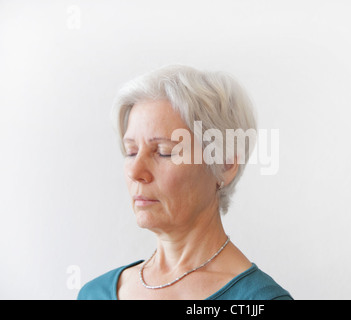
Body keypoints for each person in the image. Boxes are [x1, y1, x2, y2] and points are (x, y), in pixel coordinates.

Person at [77, 65, 292, 300]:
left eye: (164, 152)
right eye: (131, 152)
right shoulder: (94, 294)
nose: (136, 172)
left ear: (225, 164)